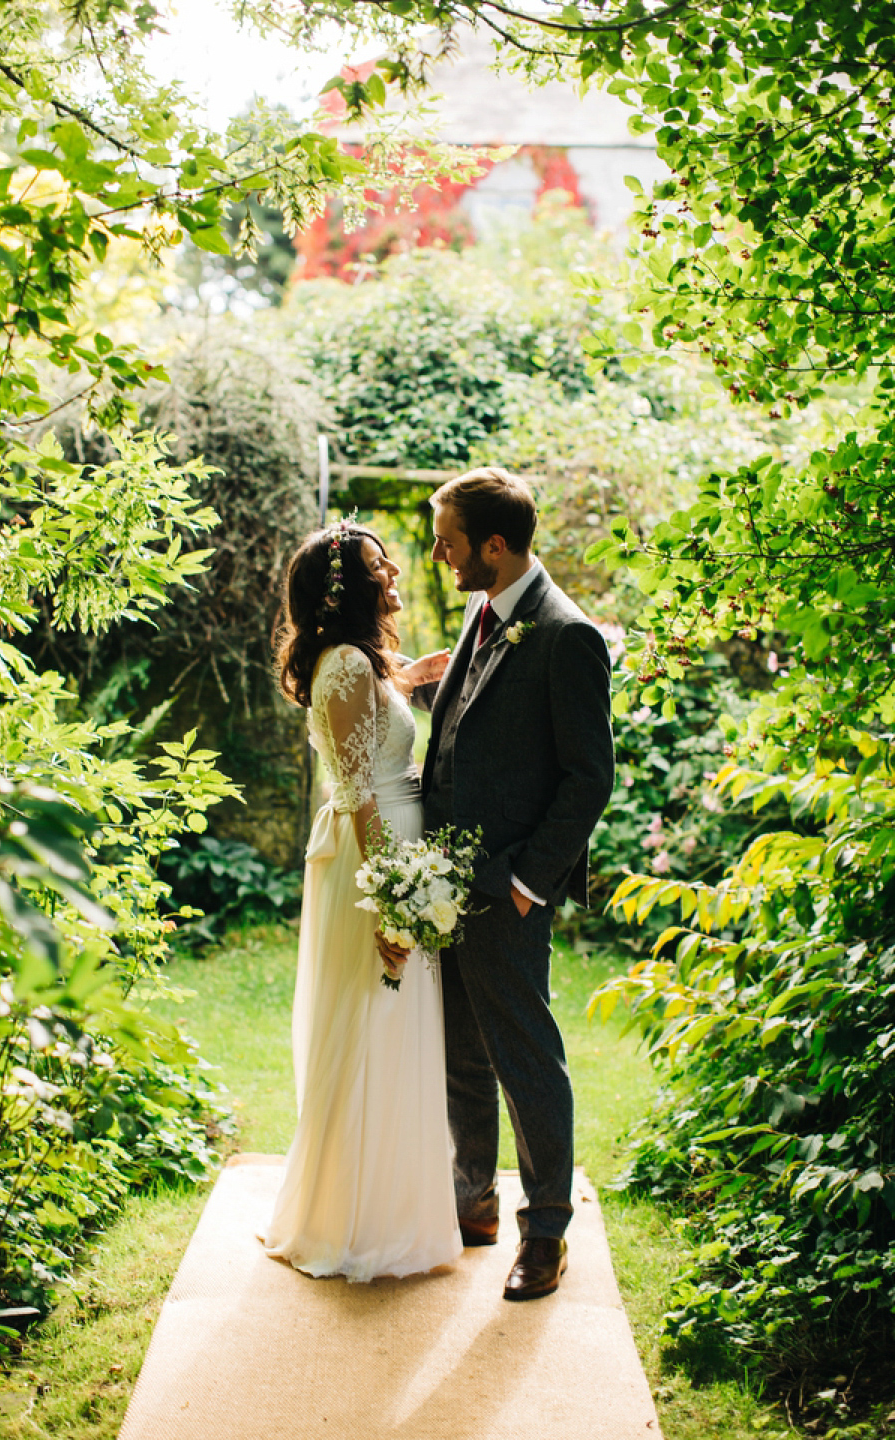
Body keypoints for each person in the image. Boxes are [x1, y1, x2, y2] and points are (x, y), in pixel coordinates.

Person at [401, 466, 615, 1301]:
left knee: (528, 1064)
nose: (437, 553)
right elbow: (473, 732)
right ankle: (475, 1200)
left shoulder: (566, 635)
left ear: (495, 545)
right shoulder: (482, 612)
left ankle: (548, 1234)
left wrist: (530, 880)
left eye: (447, 540)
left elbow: (587, 778)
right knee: (462, 1056)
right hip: (446, 888)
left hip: (507, 888)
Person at [262, 519, 461, 1281]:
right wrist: (390, 900)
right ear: (350, 585)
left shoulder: (359, 664)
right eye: (383, 565)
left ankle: (388, 1207)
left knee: (393, 1024)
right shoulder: (344, 665)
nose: (397, 574)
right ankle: (351, 1222)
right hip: (373, 857)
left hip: (390, 847)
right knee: (373, 1019)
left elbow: (364, 733)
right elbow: (355, 792)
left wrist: (403, 682)